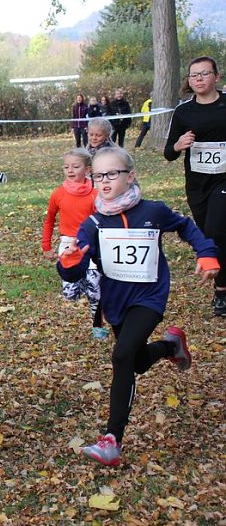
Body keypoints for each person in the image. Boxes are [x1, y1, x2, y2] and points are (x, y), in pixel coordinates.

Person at [57, 147, 219, 466]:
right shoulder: (93, 223)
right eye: (98, 176)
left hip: (149, 298)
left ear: (130, 176)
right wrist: (69, 263)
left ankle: (111, 440)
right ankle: (170, 347)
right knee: (137, 361)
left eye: (112, 174)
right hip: (116, 302)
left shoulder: (153, 211)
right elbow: (74, 272)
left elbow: (185, 226)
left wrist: (206, 252)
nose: (104, 181)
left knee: (122, 356)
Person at [164, 56, 226, 316]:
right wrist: (179, 145)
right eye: (194, 75)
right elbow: (169, 152)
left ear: (216, 77)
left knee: (215, 230)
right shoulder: (183, 112)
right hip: (197, 184)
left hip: (223, 181)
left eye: (204, 73)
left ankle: (221, 291)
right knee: (210, 233)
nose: (199, 78)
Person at [41, 149, 105, 338]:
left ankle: (98, 325)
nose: (70, 170)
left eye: (75, 166)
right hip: (68, 245)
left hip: (90, 245)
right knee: (70, 293)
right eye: (66, 167)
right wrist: (46, 246)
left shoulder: (95, 194)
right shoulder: (58, 194)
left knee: (95, 291)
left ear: (88, 170)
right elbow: (49, 220)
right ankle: (83, 282)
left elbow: (102, 221)